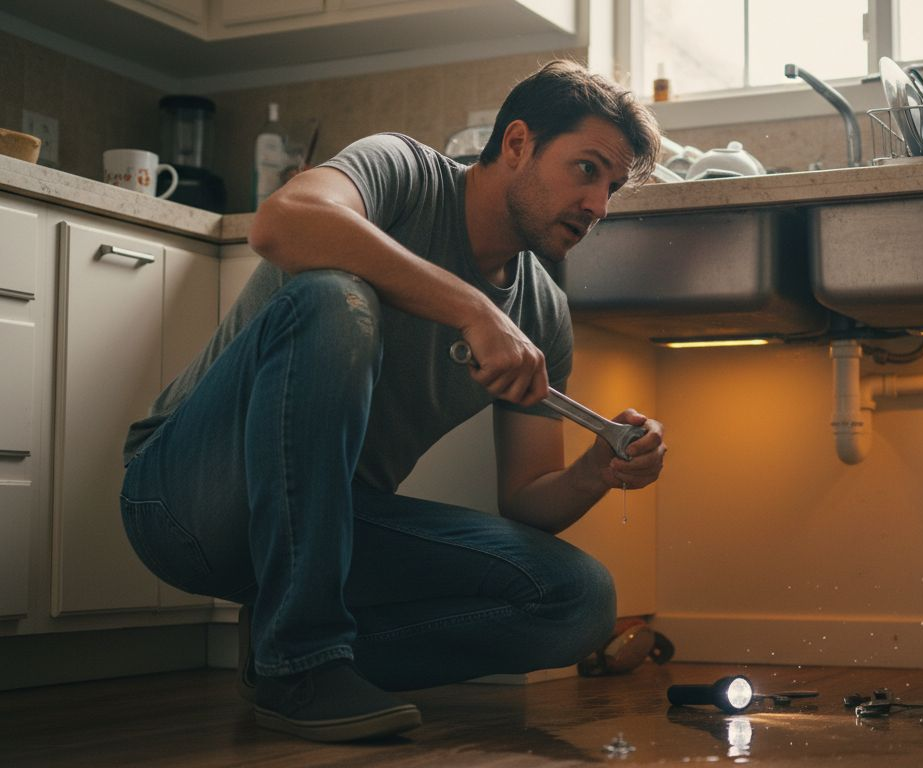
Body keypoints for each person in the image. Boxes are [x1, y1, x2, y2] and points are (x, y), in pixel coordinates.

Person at [117, 59, 667, 743]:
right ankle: (302, 658)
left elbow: (527, 498)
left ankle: (295, 657)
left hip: (333, 525)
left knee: (579, 599)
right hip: (186, 501)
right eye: (587, 169)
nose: (599, 206)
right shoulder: (400, 169)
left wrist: (597, 469)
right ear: (519, 143)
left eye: (611, 186)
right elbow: (281, 223)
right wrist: (473, 309)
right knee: (333, 298)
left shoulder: (543, 312)